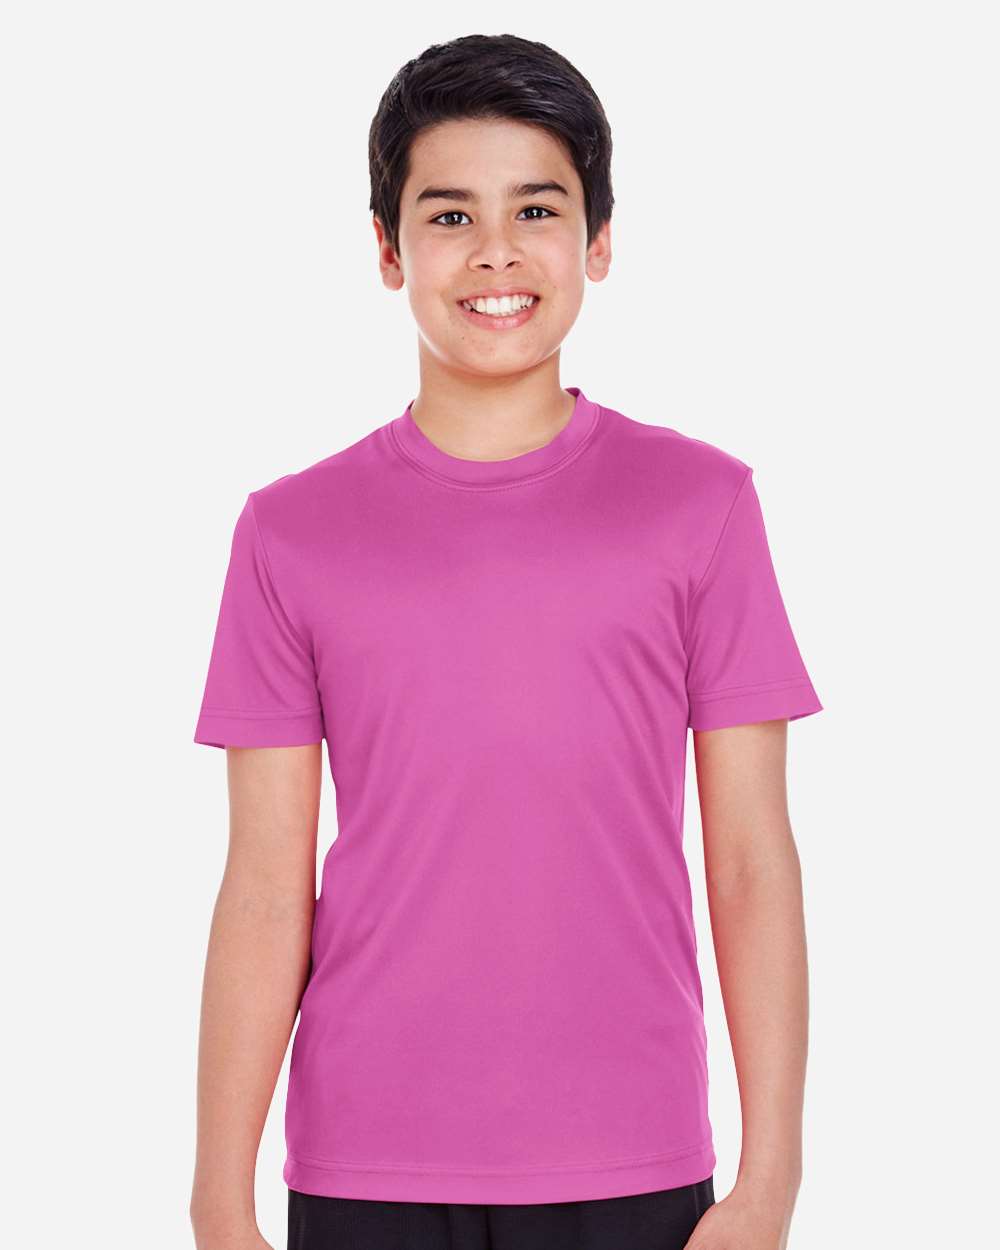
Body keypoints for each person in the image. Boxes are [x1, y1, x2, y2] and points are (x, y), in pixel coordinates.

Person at [189, 33, 823, 1250]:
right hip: (366, 1161)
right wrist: (220, 1201)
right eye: (448, 215)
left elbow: (750, 859)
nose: (494, 251)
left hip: (633, 1153)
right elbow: (265, 887)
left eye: (536, 209)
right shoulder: (289, 531)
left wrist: (768, 1185)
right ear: (388, 250)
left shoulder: (702, 506)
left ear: (597, 239)